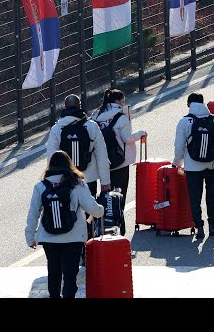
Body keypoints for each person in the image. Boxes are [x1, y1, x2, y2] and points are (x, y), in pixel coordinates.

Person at [25, 150, 104, 299]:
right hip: (73, 237)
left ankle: (54, 296)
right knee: (70, 276)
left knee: (54, 272)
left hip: (49, 238)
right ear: (69, 165)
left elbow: (33, 214)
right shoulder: (77, 184)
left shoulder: (40, 186)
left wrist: (30, 237)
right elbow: (92, 208)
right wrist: (101, 210)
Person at [172, 92, 214, 239]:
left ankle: (199, 228)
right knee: (212, 196)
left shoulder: (184, 122)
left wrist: (177, 163)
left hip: (192, 167)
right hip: (212, 165)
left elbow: (179, 147)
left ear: (189, 105)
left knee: (194, 198)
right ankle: (212, 226)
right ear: (203, 103)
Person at [47, 94, 111, 198]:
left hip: (66, 180)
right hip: (89, 178)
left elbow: (51, 158)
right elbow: (102, 155)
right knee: (90, 211)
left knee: (71, 212)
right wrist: (105, 182)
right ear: (80, 106)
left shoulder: (57, 129)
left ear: (64, 107)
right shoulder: (91, 126)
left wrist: (53, 181)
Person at [90, 89, 146, 204]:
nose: (124, 103)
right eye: (123, 101)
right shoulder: (121, 118)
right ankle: (119, 220)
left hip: (101, 161)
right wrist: (140, 134)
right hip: (120, 160)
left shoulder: (95, 116)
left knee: (106, 195)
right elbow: (127, 138)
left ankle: (107, 219)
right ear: (117, 101)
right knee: (120, 195)